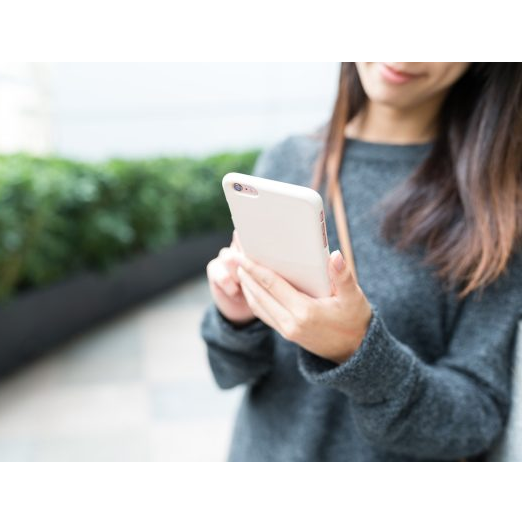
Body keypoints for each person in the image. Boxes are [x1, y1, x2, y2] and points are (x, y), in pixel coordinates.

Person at [200, 62, 522, 461]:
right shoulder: (286, 162)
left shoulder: (498, 207)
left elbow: (476, 423)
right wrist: (236, 318)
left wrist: (358, 351)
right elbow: (229, 373)